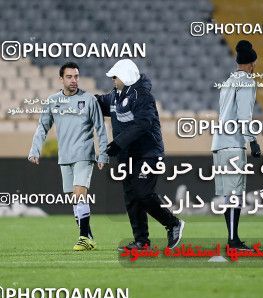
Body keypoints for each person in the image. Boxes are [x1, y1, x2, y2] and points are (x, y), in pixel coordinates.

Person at [95, 59, 184, 251]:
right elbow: (99, 102)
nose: (112, 79)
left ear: (125, 77)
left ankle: (173, 224)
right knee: (132, 197)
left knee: (143, 193)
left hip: (148, 153)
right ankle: (141, 241)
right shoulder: (116, 95)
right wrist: (79, 98)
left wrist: (117, 144)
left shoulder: (143, 95)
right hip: (127, 155)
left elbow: (144, 124)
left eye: (115, 76)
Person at [28, 61, 109, 251]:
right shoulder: (53, 101)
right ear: (61, 79)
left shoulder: (89, 100)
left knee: (80, 194)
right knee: (74, 199)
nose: (74, 80)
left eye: (76, 76)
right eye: (69, 77)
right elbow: (42, 126)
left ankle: (83, 238)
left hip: (84, 155)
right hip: (64, 157)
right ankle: (88, 236)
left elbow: (100, 128)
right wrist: (35, 149)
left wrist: (103, 154)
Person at [211, 40, 261, 250]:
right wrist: (253, 140)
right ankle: (233, 241)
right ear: (251, 64)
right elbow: (243, 116)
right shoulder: (247, 81)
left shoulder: (228, 82)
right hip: (233, 144)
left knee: (227, 195)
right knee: (235, 195)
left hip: (219, 144)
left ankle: (233, 237)